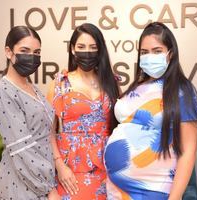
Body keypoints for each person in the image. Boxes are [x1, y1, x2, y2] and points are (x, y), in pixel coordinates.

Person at [104, 22, 197, 200]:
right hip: (117, 190)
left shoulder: (182, 90)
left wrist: (175, 197)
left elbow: (189, 150)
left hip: (154, 189)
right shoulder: (138, 86)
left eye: (157, 51)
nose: (150, 57)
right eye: (144, 52)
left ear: (170, 54)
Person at [47, 23, 119, 200]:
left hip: (106, 169)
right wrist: (60, 167)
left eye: (93, 48)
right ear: (72, 49)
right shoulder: (60, 83)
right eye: (81, 47)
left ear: (100, 50)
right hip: (70, 170)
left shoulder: (112, 82)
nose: (87, 52)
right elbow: (47, 131)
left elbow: (119, 126)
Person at [0, 26, 60, 200]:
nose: (31, 57)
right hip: (23, 182)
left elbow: (46, 132)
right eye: (24, 50)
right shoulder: (3, 91)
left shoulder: (32, 88)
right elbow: (21, 148)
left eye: (37, 52)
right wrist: (48, 188)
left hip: (42, 180)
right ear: (8, 52)